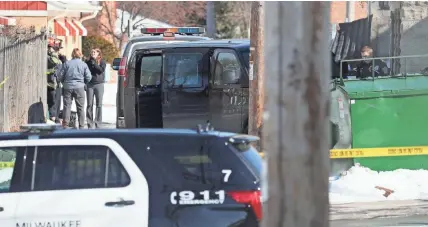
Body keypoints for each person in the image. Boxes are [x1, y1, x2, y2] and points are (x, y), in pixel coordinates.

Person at [58, 48, 92, 129]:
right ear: (80, 54)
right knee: (80, 107)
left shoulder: (66, 64)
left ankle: (65, 125)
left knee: (67, 106)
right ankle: (81, 126)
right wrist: (83, 83)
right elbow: (89, 77)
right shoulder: (83, 64)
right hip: (79, 87)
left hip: (67, 87)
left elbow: (60, 76)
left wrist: (64, 82)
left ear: (72, 54)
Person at [85, 48, 106, 129]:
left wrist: (95, 63)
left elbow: (101, 70)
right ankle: (90, 123)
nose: (93, 53)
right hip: (90, 84)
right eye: (92, 52)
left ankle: (98, 123)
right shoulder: (87, 62)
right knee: (89, 105)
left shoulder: (102, 62)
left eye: (94, 52)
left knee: (99, 104)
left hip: (99, 85)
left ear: (98, 54)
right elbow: (85, 72)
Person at [47, 43, 62, 122]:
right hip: (51, 84)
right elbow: (53, 63)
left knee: (57, 102)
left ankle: (56, 117)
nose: (57, 51)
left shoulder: (58, 59)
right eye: (55, 49)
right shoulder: (49, 58)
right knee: (52, 102)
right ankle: (53, 117)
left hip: (58, 83)